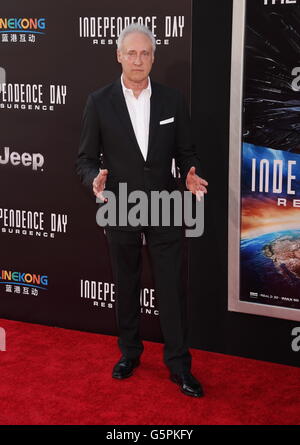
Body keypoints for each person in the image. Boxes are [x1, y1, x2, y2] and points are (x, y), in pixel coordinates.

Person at [76, 23, 208, 398]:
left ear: (153, 58)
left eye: (145, 53)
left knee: (171, 288)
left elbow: (187, 152)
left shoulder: (172, 100)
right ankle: (130, 353)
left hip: (165, 206)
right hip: (120, 206)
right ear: (118, 55)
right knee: (127, 282)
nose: (138, 59)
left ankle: (180, 366)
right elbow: (84, 159)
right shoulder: (98, 102)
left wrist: (189, 173)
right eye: (131, 53)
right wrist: (93, 180)